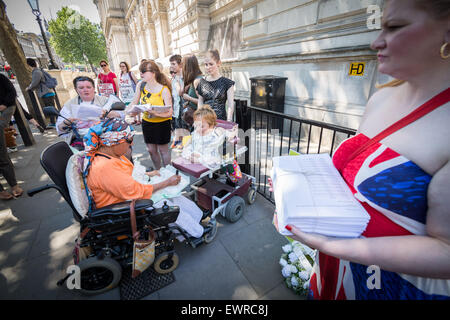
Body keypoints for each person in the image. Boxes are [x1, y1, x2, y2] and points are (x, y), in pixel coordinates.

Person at [278, 0, 450, 300]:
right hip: (334, 272)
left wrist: (332, 245)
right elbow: (352, 180)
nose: (376, 41)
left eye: (394, 27)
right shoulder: (381, 97)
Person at [83, 118, 180, 209]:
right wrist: (167, 183)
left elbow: (122, 178)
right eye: (129, 140)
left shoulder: (111, 156)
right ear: (113, 142)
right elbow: (137, 191)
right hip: (122, 211)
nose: (132, 144)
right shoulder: (104, 167)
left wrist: (148, 174)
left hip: (128, 202)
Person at [128, 60, 173, 170]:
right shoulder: (141, 85)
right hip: (147, 123)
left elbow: (170, 112)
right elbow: (134, 102)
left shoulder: (164, 89)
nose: (141, 74)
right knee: (151, 151)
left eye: (143, 71)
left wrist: (155, 113)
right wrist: (130, 111)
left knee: (163, 151)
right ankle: (158, 172)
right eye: (140, 72)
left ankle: (168, 173)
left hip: (162, 124)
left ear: (153, 73)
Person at [56, 76, 124, 148]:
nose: (85, 90)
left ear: (94, 88)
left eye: (88, 87)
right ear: (76, 90)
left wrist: (106, 113)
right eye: (81, 88)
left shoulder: (105, 101)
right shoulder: (69, 105)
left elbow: (122, 116)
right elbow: (60, 129)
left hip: (106, 137)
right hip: (81, 141)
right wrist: (66, 122)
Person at [0, 73, 23, 199]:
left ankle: (13, 185)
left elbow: (11, 93)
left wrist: (4, 104)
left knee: (1, 154)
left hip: (4, 108)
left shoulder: (1, 78)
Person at [197, 49, 235, 121]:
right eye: (206, 64)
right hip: (205, 121)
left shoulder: (228, 83)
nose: (208, 67)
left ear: (218, 63)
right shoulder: (202, 82)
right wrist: (199, 119)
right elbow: (200, 102)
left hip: (220, 121)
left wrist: (229, 120)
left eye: (211, 64)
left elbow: (230, 104)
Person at [26, 58, 57, 128]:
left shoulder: (36, 72)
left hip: (46, 93)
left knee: (50, 108)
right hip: (48, 92)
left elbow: (35, 83)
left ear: (28, 65)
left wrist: (29, 87)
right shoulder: (38, 70)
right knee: (51, 108)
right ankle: (55, 122)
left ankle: (54, 123)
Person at [181, 54, 203, 130]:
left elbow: (203, 102)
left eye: (182, 64)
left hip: (199, 121)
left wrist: (189, 98)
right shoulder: (194, 80)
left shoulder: (197, 81)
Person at [169, 54, 185, 148]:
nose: (171, 66)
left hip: (183, 107)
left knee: (183, 126)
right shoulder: (174, 78)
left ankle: (182, 143)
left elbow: (181, 93)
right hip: (175, 107)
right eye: (170, 64)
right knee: (177, 125)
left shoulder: (184, 77)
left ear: (180, 65)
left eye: (173, 64)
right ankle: (178, 141)